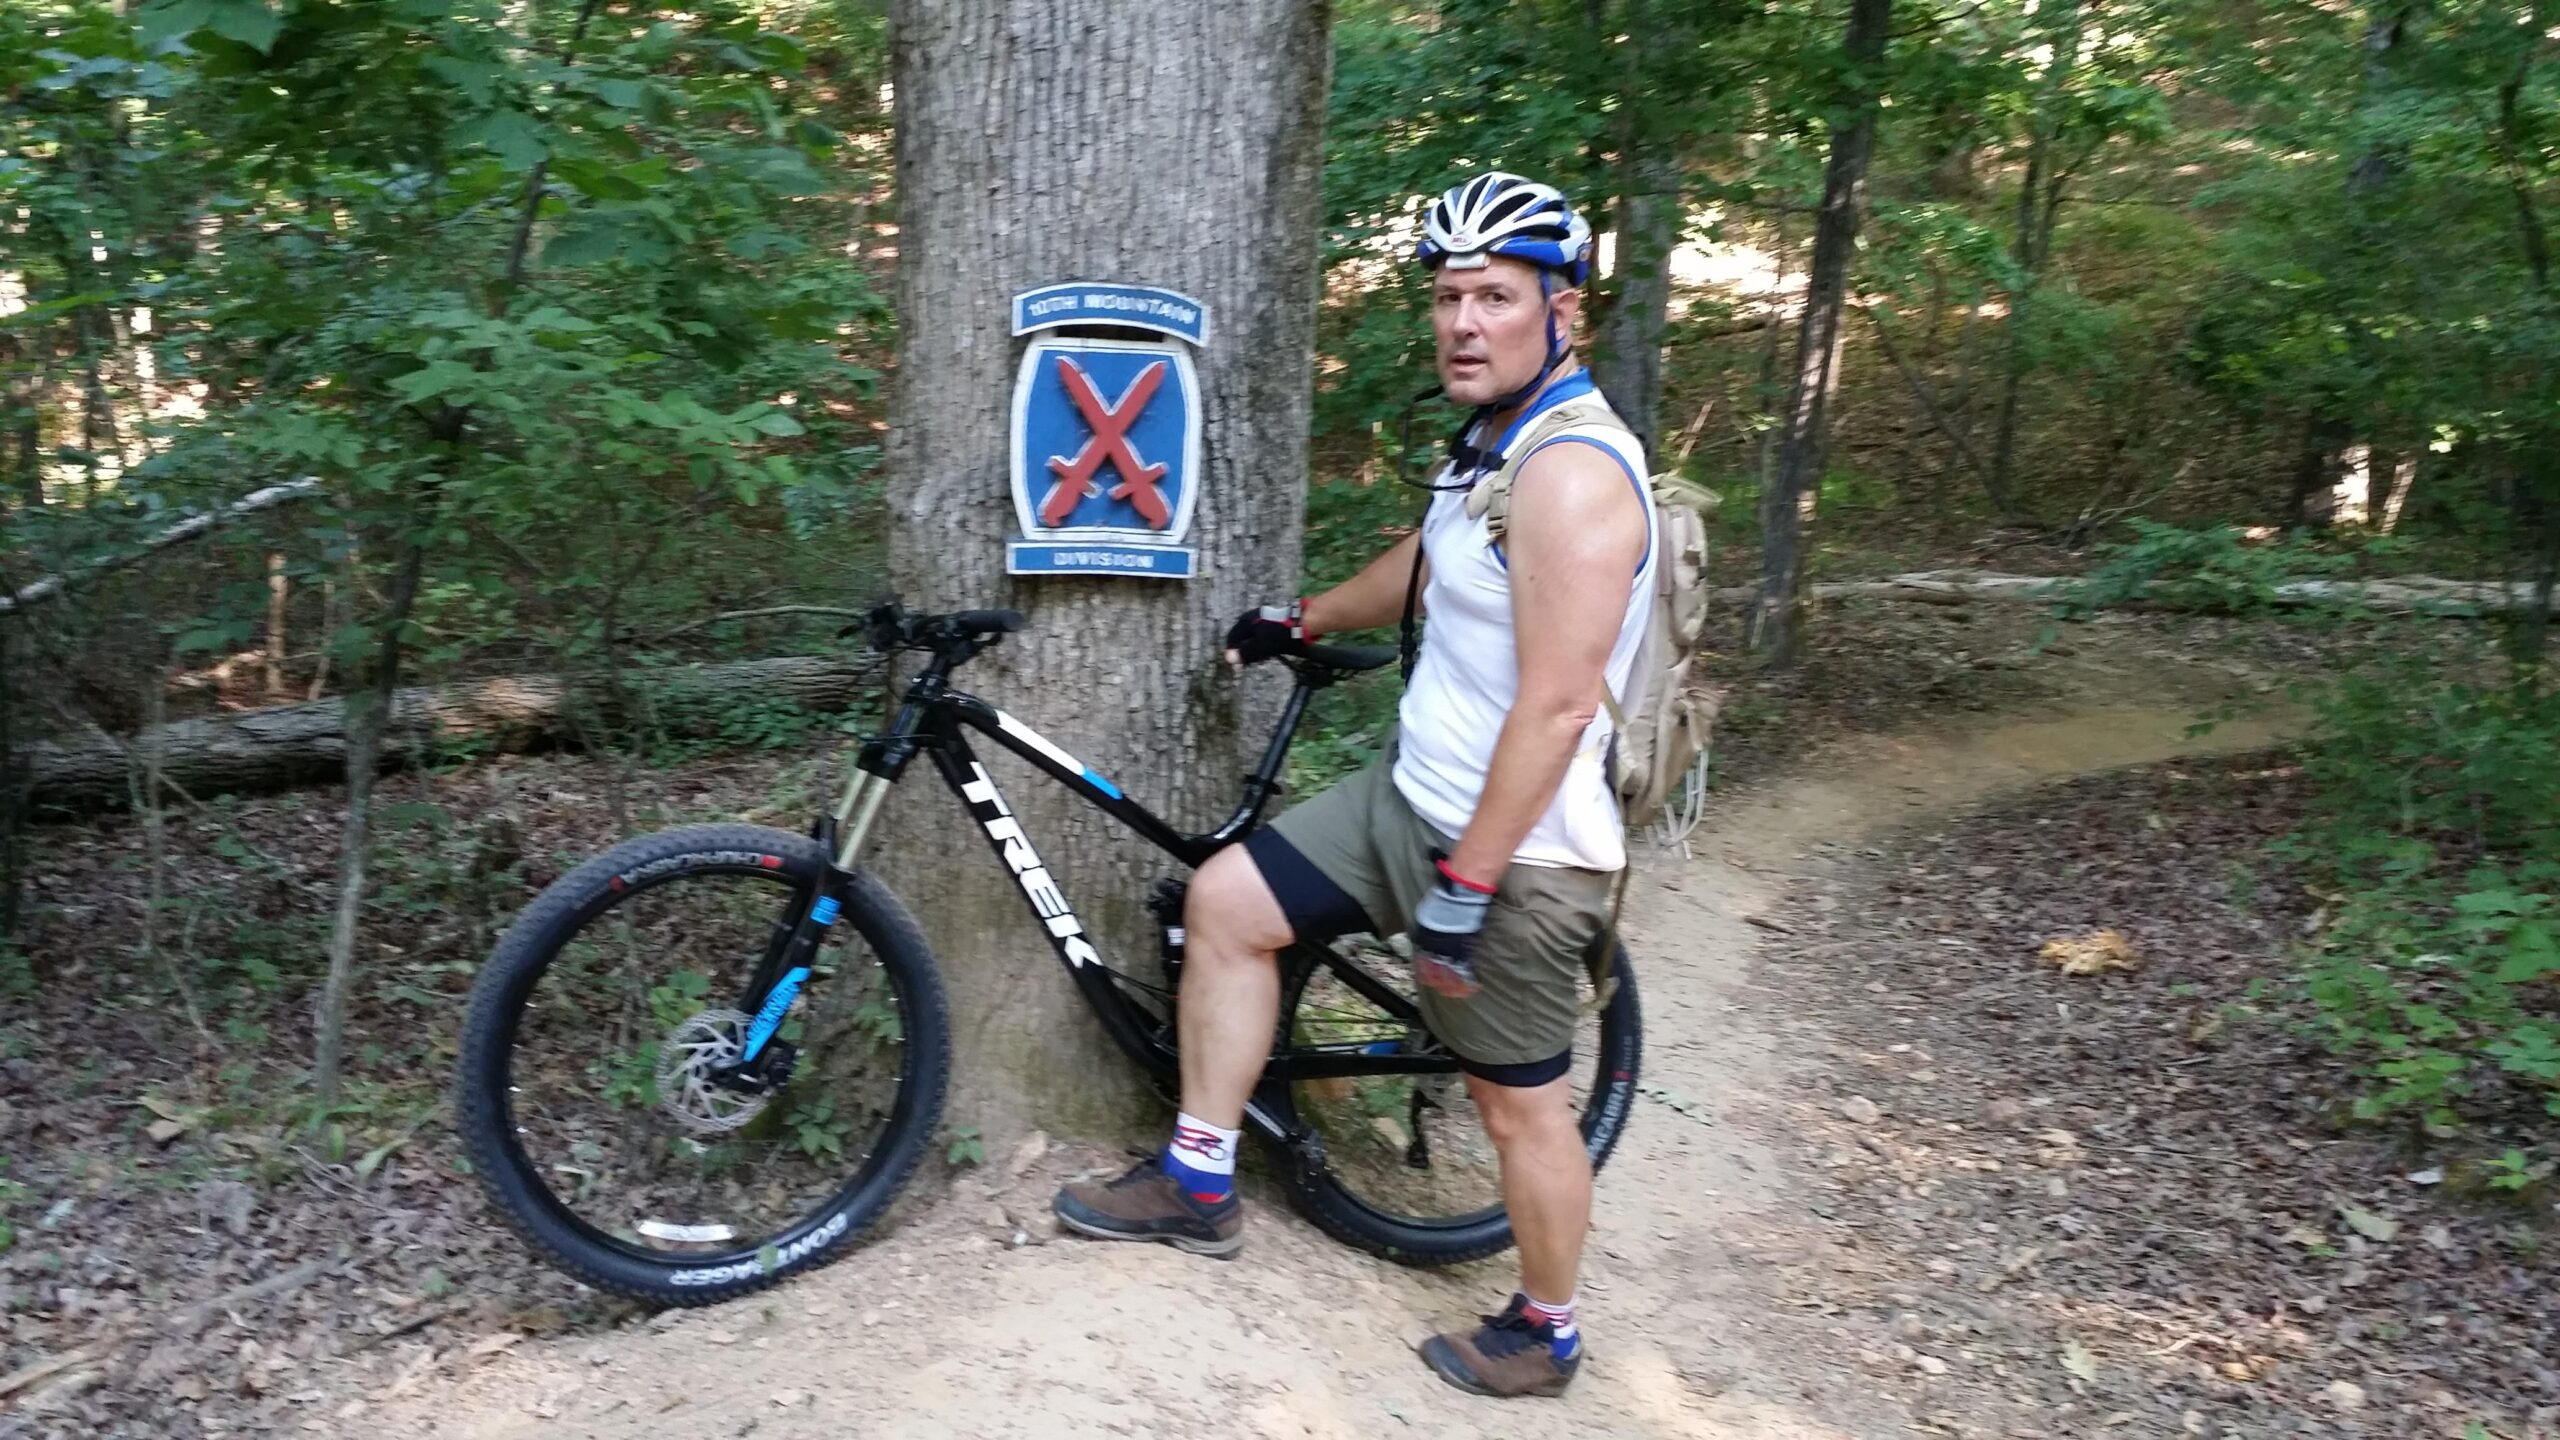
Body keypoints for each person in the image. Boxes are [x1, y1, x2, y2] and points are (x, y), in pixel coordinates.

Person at [1053, 172, 1654, 1400]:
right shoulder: (1496, 443)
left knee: (1516, 1109)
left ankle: (1546, 1330)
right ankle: (1200, 1180)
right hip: (1409, 797)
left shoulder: (1576, 472)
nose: (1464, 322)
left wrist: (1466, 884)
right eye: (1448, 297)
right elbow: (1431, 559)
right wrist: (1303, 616)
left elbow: (1558, 705)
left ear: (1563, 312)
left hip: (1523, 851)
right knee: (1226, 906)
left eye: (1495, 296)